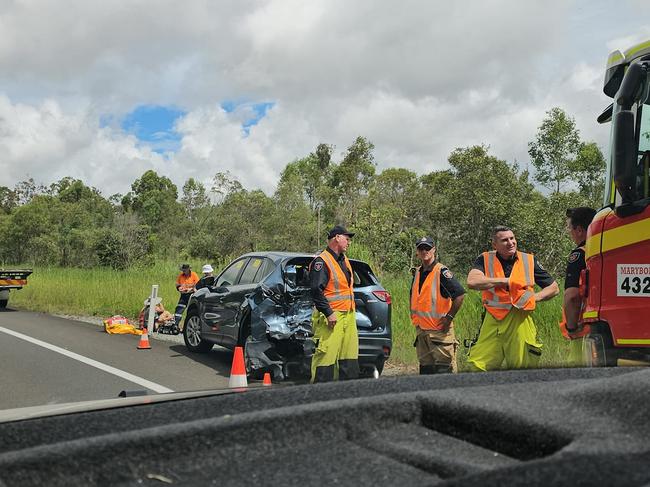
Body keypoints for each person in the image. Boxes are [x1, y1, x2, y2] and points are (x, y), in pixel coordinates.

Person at [466, 226, 559, 371]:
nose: (510, 243)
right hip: (493, 320)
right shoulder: (484, 258)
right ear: (494, 245)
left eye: (512, 238)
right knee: (478, 366)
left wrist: (535, 298)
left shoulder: (528, 260)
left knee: (523, 368)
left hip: (520, 319)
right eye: (504, 240)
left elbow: (554, 288)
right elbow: (472, 282)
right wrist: (506, 281)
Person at [309, 225, 359, 383]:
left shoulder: (344, 260)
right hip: (330, 317)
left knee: (349, 360)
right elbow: (316, 290)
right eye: (347, 238)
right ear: (337, 238)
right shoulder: (322, 261)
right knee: (325, 361)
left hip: (348, 317)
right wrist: (329, 313)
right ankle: (320, 398)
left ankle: (346, 398)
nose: (349, 242)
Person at [410, 236, 466, 374]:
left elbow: (460, 294)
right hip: (422, 331)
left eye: (427, 248)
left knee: (444, 371)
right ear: (417, 251)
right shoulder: (417, 272)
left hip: (440, 331)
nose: (424, 251)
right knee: (426, 371)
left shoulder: (441, 271)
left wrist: (449, 317)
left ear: (433, 249)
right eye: (421, 248)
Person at [559, 207, 597, 366]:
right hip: (603, 328)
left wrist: (572, 327)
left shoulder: (579, 255)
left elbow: (572, 297)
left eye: (570, 228)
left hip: (582, 331)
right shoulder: (605, 251)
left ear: (580, 230)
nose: (569, 232)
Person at [174, 264, 199, 330]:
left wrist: (190, 289)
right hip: (183, 295)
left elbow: (198, 285)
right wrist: (179, 288)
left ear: (188, 270)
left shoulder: (194, 275)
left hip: (192, 295)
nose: (184, 272)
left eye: (185, 270)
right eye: (183, 270)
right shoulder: (181, 276)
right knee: (179, 309)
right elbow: (177, 284)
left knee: (190, 311)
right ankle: (176, 325)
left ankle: (189, 327)